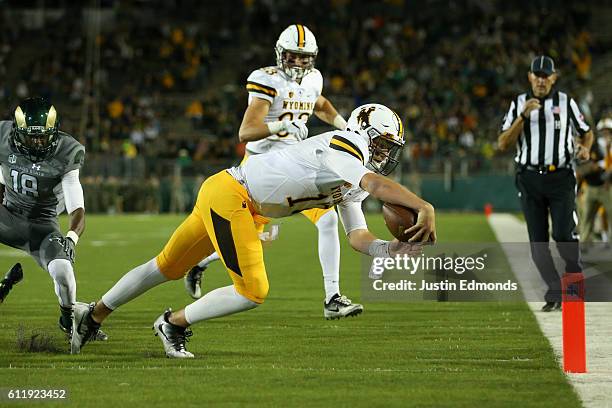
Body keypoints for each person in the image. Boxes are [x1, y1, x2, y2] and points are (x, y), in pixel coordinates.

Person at [71, 104, 436, 358]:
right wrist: (423, 206)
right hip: (235, 196)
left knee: (166, 266)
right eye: (383, 144)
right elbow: (373, 183)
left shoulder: (352, 176)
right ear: (363, 134)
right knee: (253, 290)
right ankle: (172, 324)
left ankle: (94, 314)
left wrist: (389, 250)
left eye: (391, 148)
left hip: (233, 196)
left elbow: (357, 236)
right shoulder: (343, 146)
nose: (387, 154)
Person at [184, 24, 355, 320]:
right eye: (293, 56)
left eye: (304, 58)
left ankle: (333, 297)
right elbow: (246, 132)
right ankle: (199, 263)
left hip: (295, 164)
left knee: (327, 220)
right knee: (254, 237)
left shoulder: (314, 79)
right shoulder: (267, 80)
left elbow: (321, 104)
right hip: (261, 169)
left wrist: (347, 128)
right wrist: (281, 126)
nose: (299, 63)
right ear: (280, 54)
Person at [0, 97, 106, 342]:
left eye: (43, 136)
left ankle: (68, 319)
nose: (37, 143)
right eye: (31, 136)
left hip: (41, 225)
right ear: (17, 132)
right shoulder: (3, 137)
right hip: (7, 215)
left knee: (62, 270)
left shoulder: (67, 151)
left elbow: (77, 206)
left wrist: (70, 238)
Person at [498, 56, 593, 311]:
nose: (541, 80)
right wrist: (522, 117)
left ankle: (574, 278)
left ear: (554, 77)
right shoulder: (518, 103)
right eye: (536, 75)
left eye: (545, 75)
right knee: (538, 244)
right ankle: (554, 290)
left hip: (561, 176)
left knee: (564, 234)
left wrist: (585, 148)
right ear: (530, 76)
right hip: (529, 177)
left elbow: (587, 130)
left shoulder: (566, 102)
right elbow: (503, 143)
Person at [578, 117, 612, 245]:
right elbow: (582, 169)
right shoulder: (593, 145)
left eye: (608, 131)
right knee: (587, 219)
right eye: (603, 131)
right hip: (591, 187)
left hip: (607, 188)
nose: (606, 134)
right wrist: (593, 167)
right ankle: (584, 249)